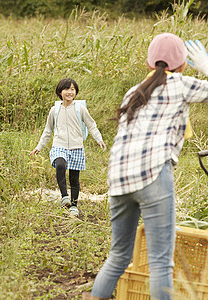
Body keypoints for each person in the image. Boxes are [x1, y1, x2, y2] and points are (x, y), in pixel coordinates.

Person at [82, 33, 208, 300]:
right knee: (161, 261)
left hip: (118, 177)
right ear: (183, 64)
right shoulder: (180, 83)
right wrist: (207, 66)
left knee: (118, 256)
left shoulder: (134, 91)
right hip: (153, 174)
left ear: (149, 63)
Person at [30, 78, 106, 217]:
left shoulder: (80, 108)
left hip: (77, 146)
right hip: (59, 144)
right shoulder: (55, 110)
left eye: (72, 89)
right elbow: (48, 130)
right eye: (67, 89)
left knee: (74, 178)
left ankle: (74, 206)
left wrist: (99, 139)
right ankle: (65, 197)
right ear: (60, 92)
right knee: (60, 165)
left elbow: (91, 125)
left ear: (76, 92)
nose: (70, 92)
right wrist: (39, 147)